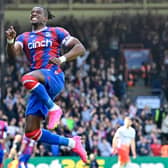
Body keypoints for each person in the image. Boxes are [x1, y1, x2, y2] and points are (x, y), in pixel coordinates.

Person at [6, 6, 87, 163]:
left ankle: (53, 108)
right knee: (31, 132)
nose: (34, 14)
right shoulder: (24, 37)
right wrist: (10, 41)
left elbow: (80, 48)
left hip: (53, 75)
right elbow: (12, 55)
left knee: (27, 78)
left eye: (38, 12)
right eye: (32, 12)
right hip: (39, 84)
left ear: (46, 18)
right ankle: (72, 143)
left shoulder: (56, 32)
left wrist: (62, 59)